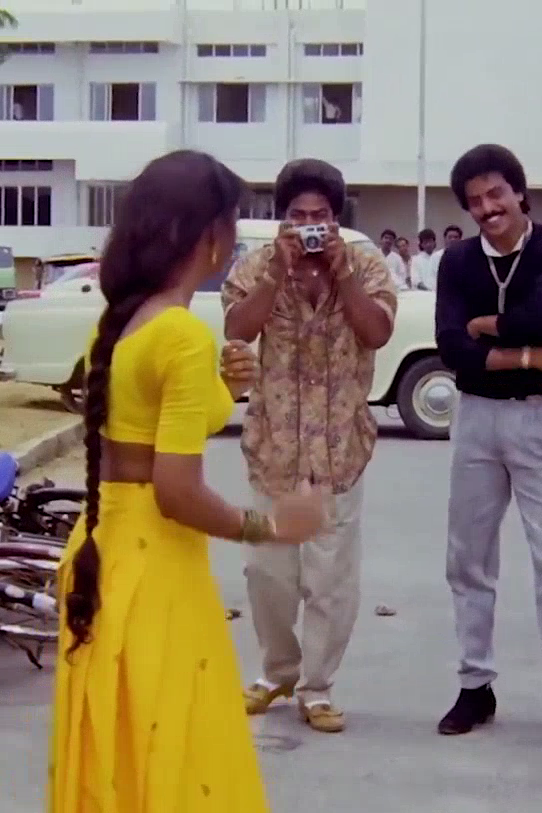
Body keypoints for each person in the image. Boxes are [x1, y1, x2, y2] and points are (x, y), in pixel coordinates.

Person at [49, 149, 320, 813]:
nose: (234, 238)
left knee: (126, 771)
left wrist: (220, 388)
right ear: (204, 236)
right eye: (231, 223)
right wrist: (269, 526)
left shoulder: (128, 323)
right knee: (175, 770)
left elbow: (136, 438)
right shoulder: (181, 333)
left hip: (104, 556)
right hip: (154, 569)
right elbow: (174, 489)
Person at [224, 158, 397, 733]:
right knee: (266, 574)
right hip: (274, 448)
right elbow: (238, 330)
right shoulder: (258, 266)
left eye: (319, 215)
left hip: (340, 451)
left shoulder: (366, 265)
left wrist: (343, 276)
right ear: (282, 219)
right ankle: (277, 672)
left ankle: (317, 688)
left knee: (330, 580)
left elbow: (377, 332)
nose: (308, 226)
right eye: (297, 216)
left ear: (336, 219)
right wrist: (277, 273)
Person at [432, 143, 542, 745]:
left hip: (539, 417)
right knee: (468, 558)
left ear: (519, 192)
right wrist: (527, 355)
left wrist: (487, 330)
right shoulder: (457, 261)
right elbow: (450, 345)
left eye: (496, 193)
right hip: (476, 418)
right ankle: (475, 685)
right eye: (475, 200)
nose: (487, 208)